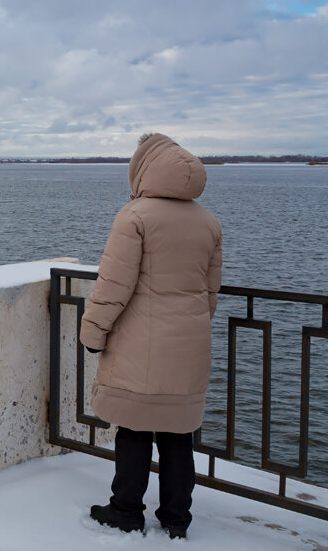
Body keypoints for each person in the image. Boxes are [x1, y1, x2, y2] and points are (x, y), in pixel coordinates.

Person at [80, 133, 223, 539]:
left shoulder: (136, 216)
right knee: (178, 434)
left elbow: (113, 285)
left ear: (143, 169)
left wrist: (93, 332)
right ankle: (177, 519)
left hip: (141, 345)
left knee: (134, 429)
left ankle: (126, 509)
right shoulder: (208, 222)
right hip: (189, 346)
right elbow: (210, 293)